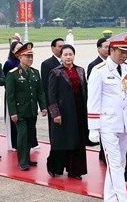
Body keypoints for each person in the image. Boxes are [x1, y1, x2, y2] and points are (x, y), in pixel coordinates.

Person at [87, 33, 127, 202]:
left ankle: (109, 200)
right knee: (115, 164)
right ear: (112, 50)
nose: (124, 55)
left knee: (120, 163)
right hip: (107, 124)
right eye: (121, 51)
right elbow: (93, 100)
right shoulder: (99, 70)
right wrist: (93, 128)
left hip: (124, 123)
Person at [47, 44, 88, 178]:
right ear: (61, 56)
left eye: (70, 54)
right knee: (62, 141)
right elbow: (51, 95)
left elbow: (85, 91)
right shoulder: (55, 72)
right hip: (63, 112)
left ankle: (75, 170)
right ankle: (55, 167)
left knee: (77, 141)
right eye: (65, 55)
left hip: (79, 111)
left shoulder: (81, 70)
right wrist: (55, 113)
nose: (68, 57)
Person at [6, 43, 47, 171]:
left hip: (31, 110)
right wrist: (13, 112)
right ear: (19, 57)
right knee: (22, 135)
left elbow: (40, 92)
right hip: (19, 111)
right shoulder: (13, 74)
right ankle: (22, 161)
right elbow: (10, 95)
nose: (30, 58)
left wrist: (43, 107)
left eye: (31, 56)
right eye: (27, 56)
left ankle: (27, 158)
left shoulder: (35, 72)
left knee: (30, 135)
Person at [87, 37, 110, 162]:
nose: (108, 49)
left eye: (109, 47)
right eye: (105, 47)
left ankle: (105, 154)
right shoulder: (93, 65)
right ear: (98, 49)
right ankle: (103, 154)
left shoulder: (115, 63)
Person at [3, 41, 22, 151]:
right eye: (17, 48)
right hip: (13, 95)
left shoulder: (24, 61)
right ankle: (13, 144)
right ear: (12, 50)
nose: (19, 50)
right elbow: (6, 81)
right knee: (13, 120)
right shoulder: (9, 63)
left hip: (24, 95)